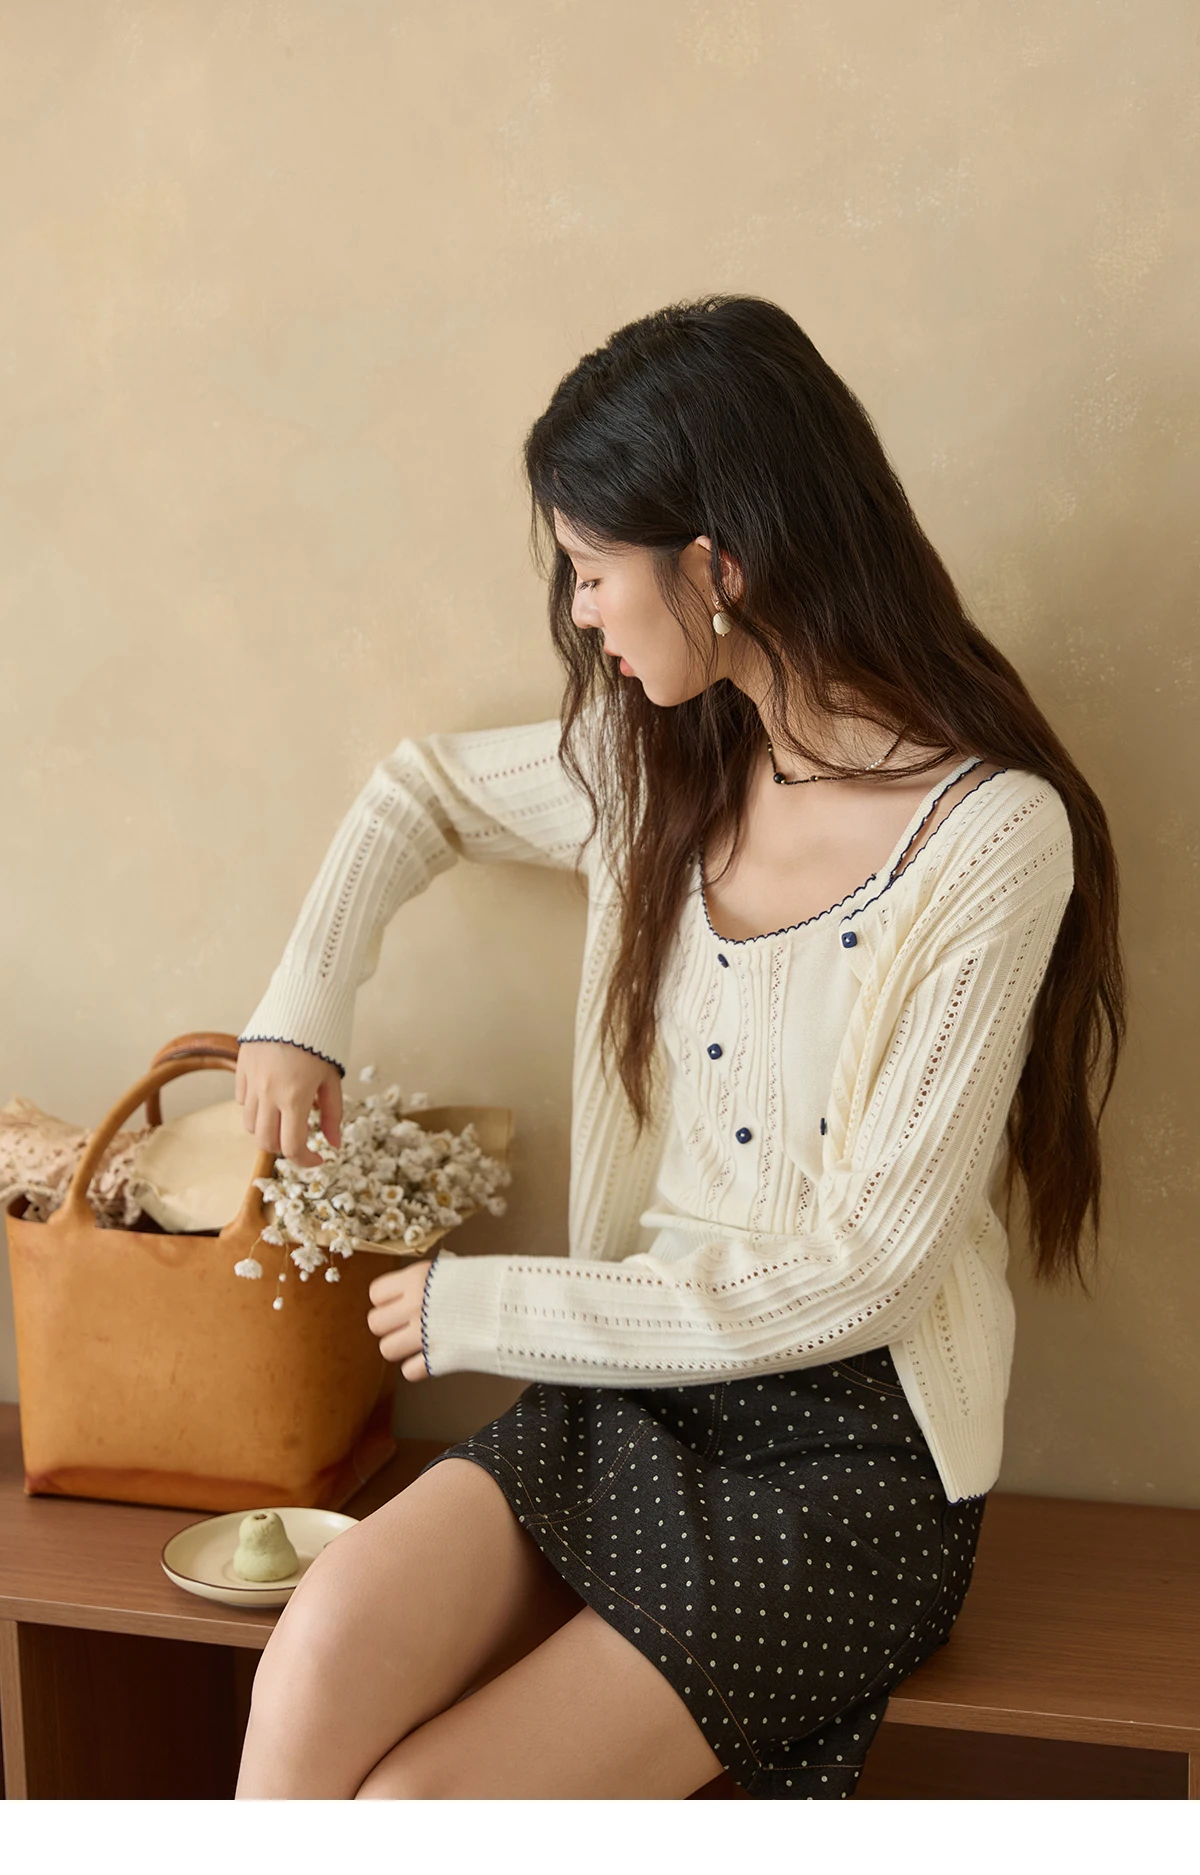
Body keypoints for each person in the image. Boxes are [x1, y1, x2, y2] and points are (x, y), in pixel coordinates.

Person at [231, 295, 1124, 1800]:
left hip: (854, 1450)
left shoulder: (993, 837)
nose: (581, 613)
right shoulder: (659, 768)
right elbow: (417, 794)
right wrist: (298, 1010)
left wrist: (498, 1305)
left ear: (719, 567)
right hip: (631, 1384)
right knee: (319, 1637)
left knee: (413, 1813)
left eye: (593, 571)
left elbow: (866, 1269)